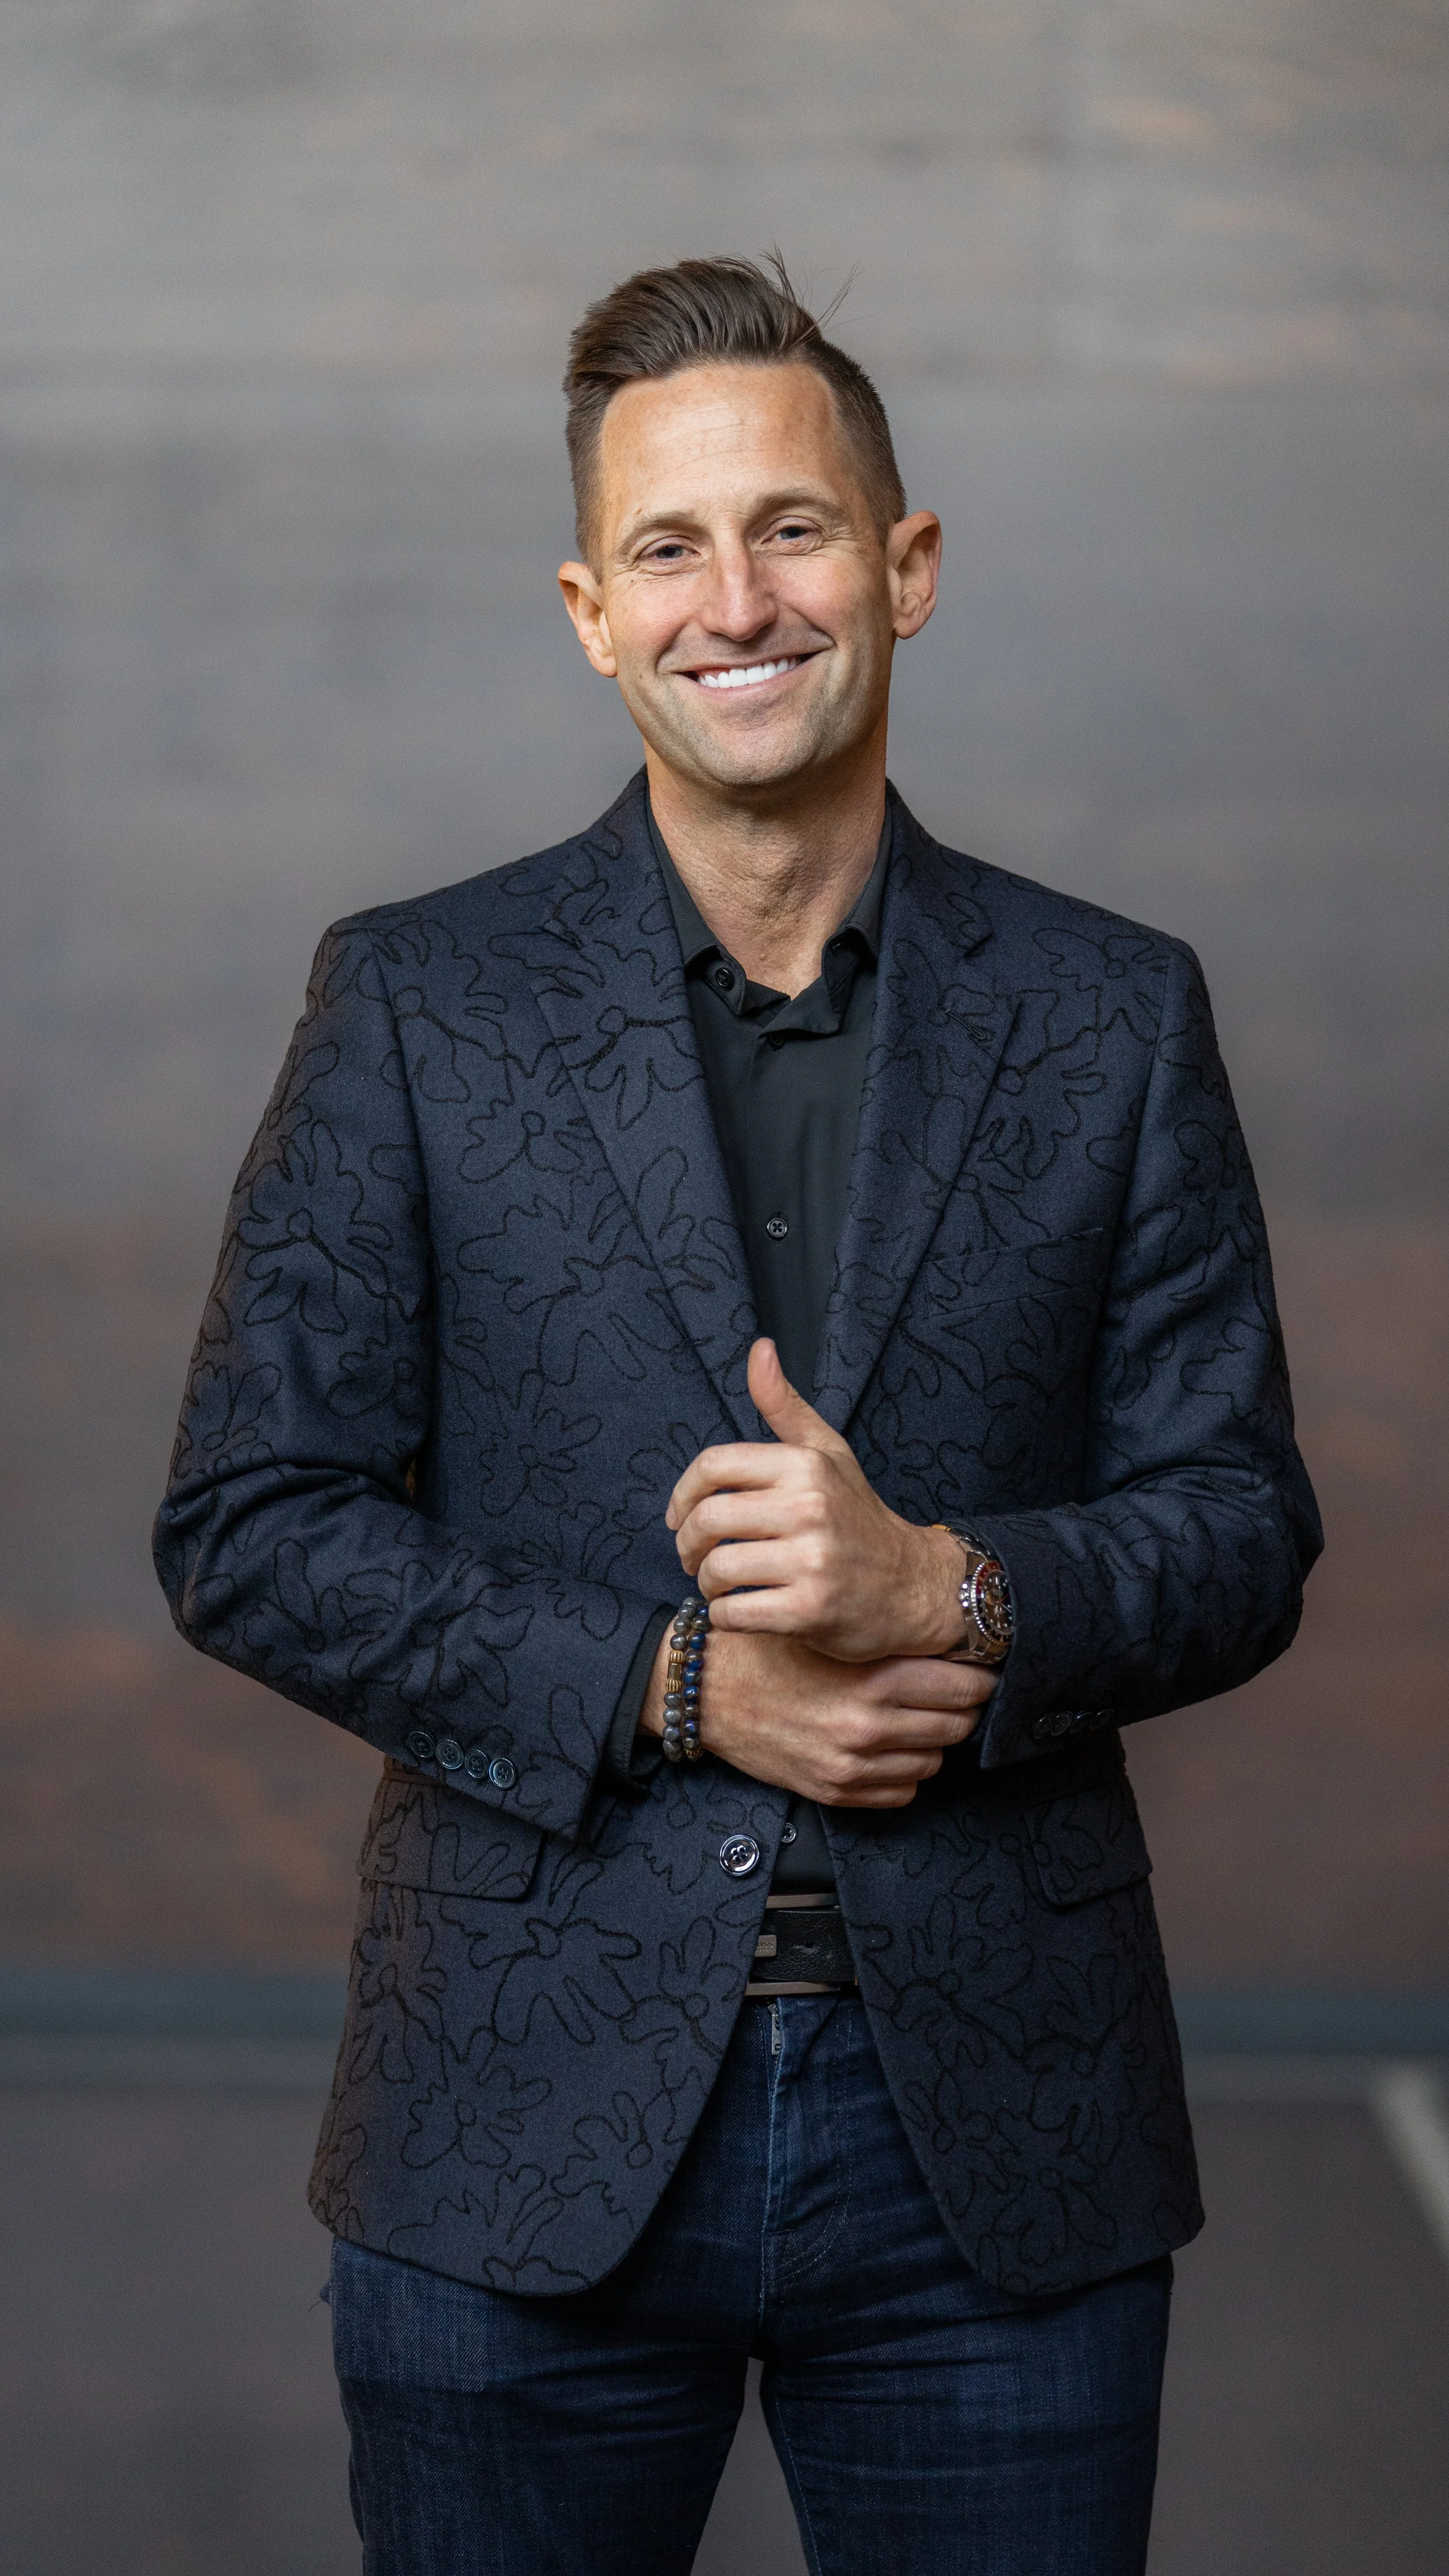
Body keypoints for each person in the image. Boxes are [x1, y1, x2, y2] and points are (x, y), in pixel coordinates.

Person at [154, 255, 1321, 2575]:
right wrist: (677, 1684)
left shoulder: (1111, 1014)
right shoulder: (416, 1002)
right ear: (592, 611)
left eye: (792, 528)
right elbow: (254, 1523)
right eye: (669, 549)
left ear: (903, 566)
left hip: (1001, 2136)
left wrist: (952, 1593)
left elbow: (1238, 1524)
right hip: (515, 2113)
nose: (736, 600)